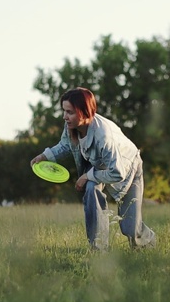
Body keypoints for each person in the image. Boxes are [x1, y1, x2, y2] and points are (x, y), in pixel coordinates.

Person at [30, 87, 156, 250]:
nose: (65, 116)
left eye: (70, 112)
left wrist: (88, 175)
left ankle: (148, 243)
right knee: (91, 189)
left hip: (126, 167)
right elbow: (65, 146)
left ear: (84, 112)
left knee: (130, 228)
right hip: (98, 165)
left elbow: (117, 172)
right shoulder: (71, 127)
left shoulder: (104, 136)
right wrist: (44, 156)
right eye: (64, 111)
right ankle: (98, 248)